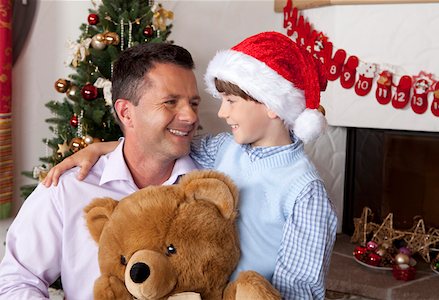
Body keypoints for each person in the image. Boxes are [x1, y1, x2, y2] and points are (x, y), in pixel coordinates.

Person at [44, 31, 338, 299]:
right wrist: (99, 148)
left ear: (272, 104)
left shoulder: (304, 191)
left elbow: (301, 289)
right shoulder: (225, 148)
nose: (222, 112)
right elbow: (160, 142)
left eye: (231, 100)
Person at [0, 42, 201, 299]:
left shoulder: (212, 181)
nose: (191, 116)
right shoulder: (69, 188)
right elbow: (17, 280)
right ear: (126, 113)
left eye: (193, 103)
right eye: (170, 102)